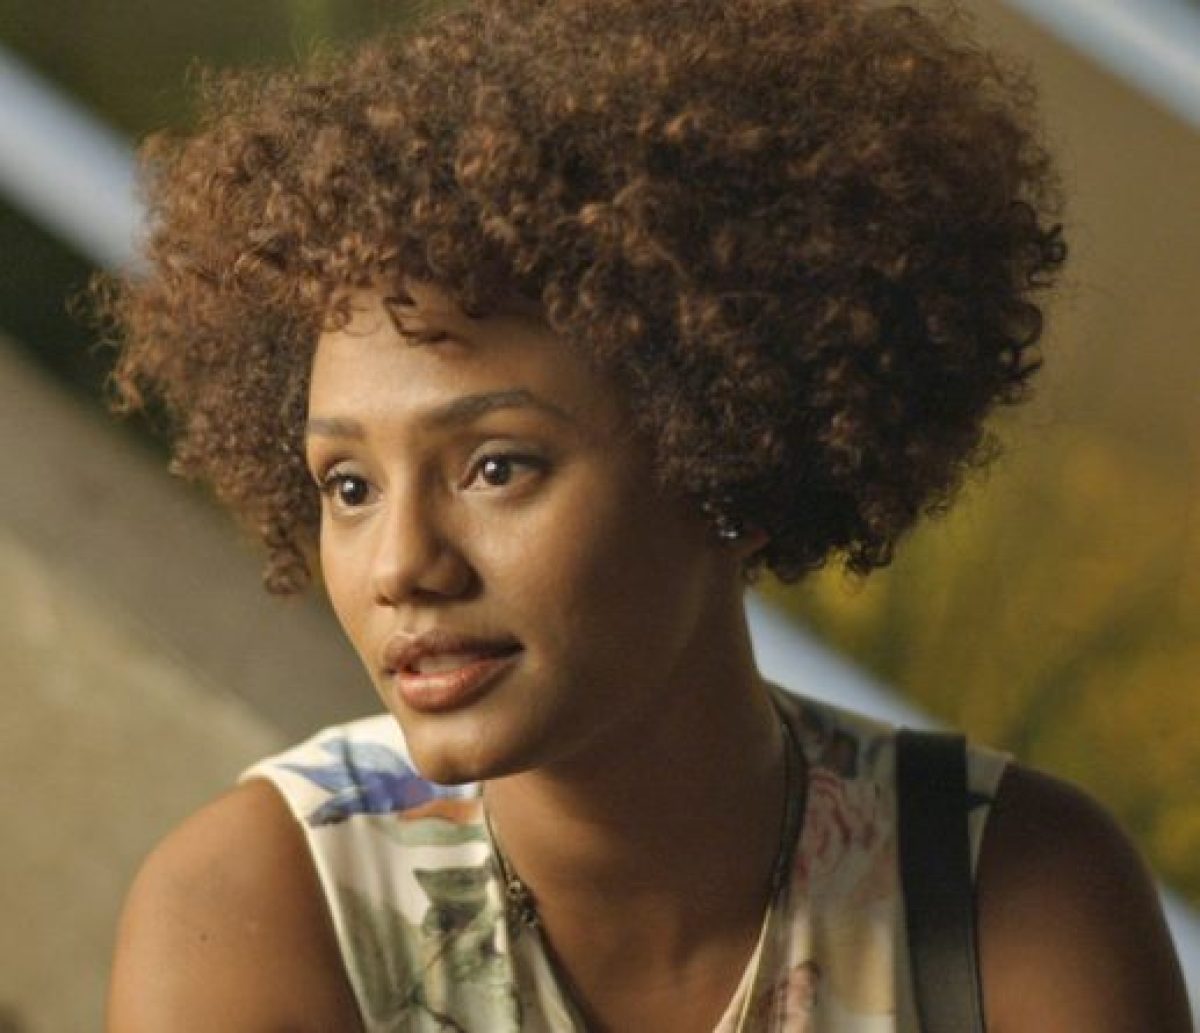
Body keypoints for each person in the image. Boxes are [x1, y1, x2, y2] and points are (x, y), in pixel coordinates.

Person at [99, 0, 1191, 1029]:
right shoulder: (255, 910)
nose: (402, 565)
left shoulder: (1016, 898)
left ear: (732, 455)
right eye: (350, 486)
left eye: (496, 467)